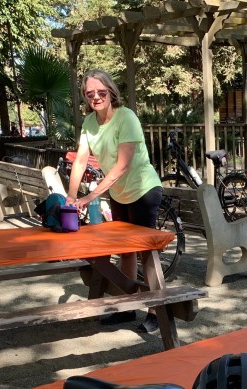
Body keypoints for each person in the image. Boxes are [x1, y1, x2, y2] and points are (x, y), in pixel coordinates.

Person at [67, 69, 163, 333]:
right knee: (125, 252)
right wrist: (71, 196)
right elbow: (81, 160)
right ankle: (127, 307)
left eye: (101, 92)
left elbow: (122, 166)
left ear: (111, 92)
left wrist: (90, 196)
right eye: (90, 94)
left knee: (146, 253)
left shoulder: (126, 117)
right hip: (119, 193)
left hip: (143, 190)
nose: (96, 97)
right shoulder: (89, 123)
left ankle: (156, 312)